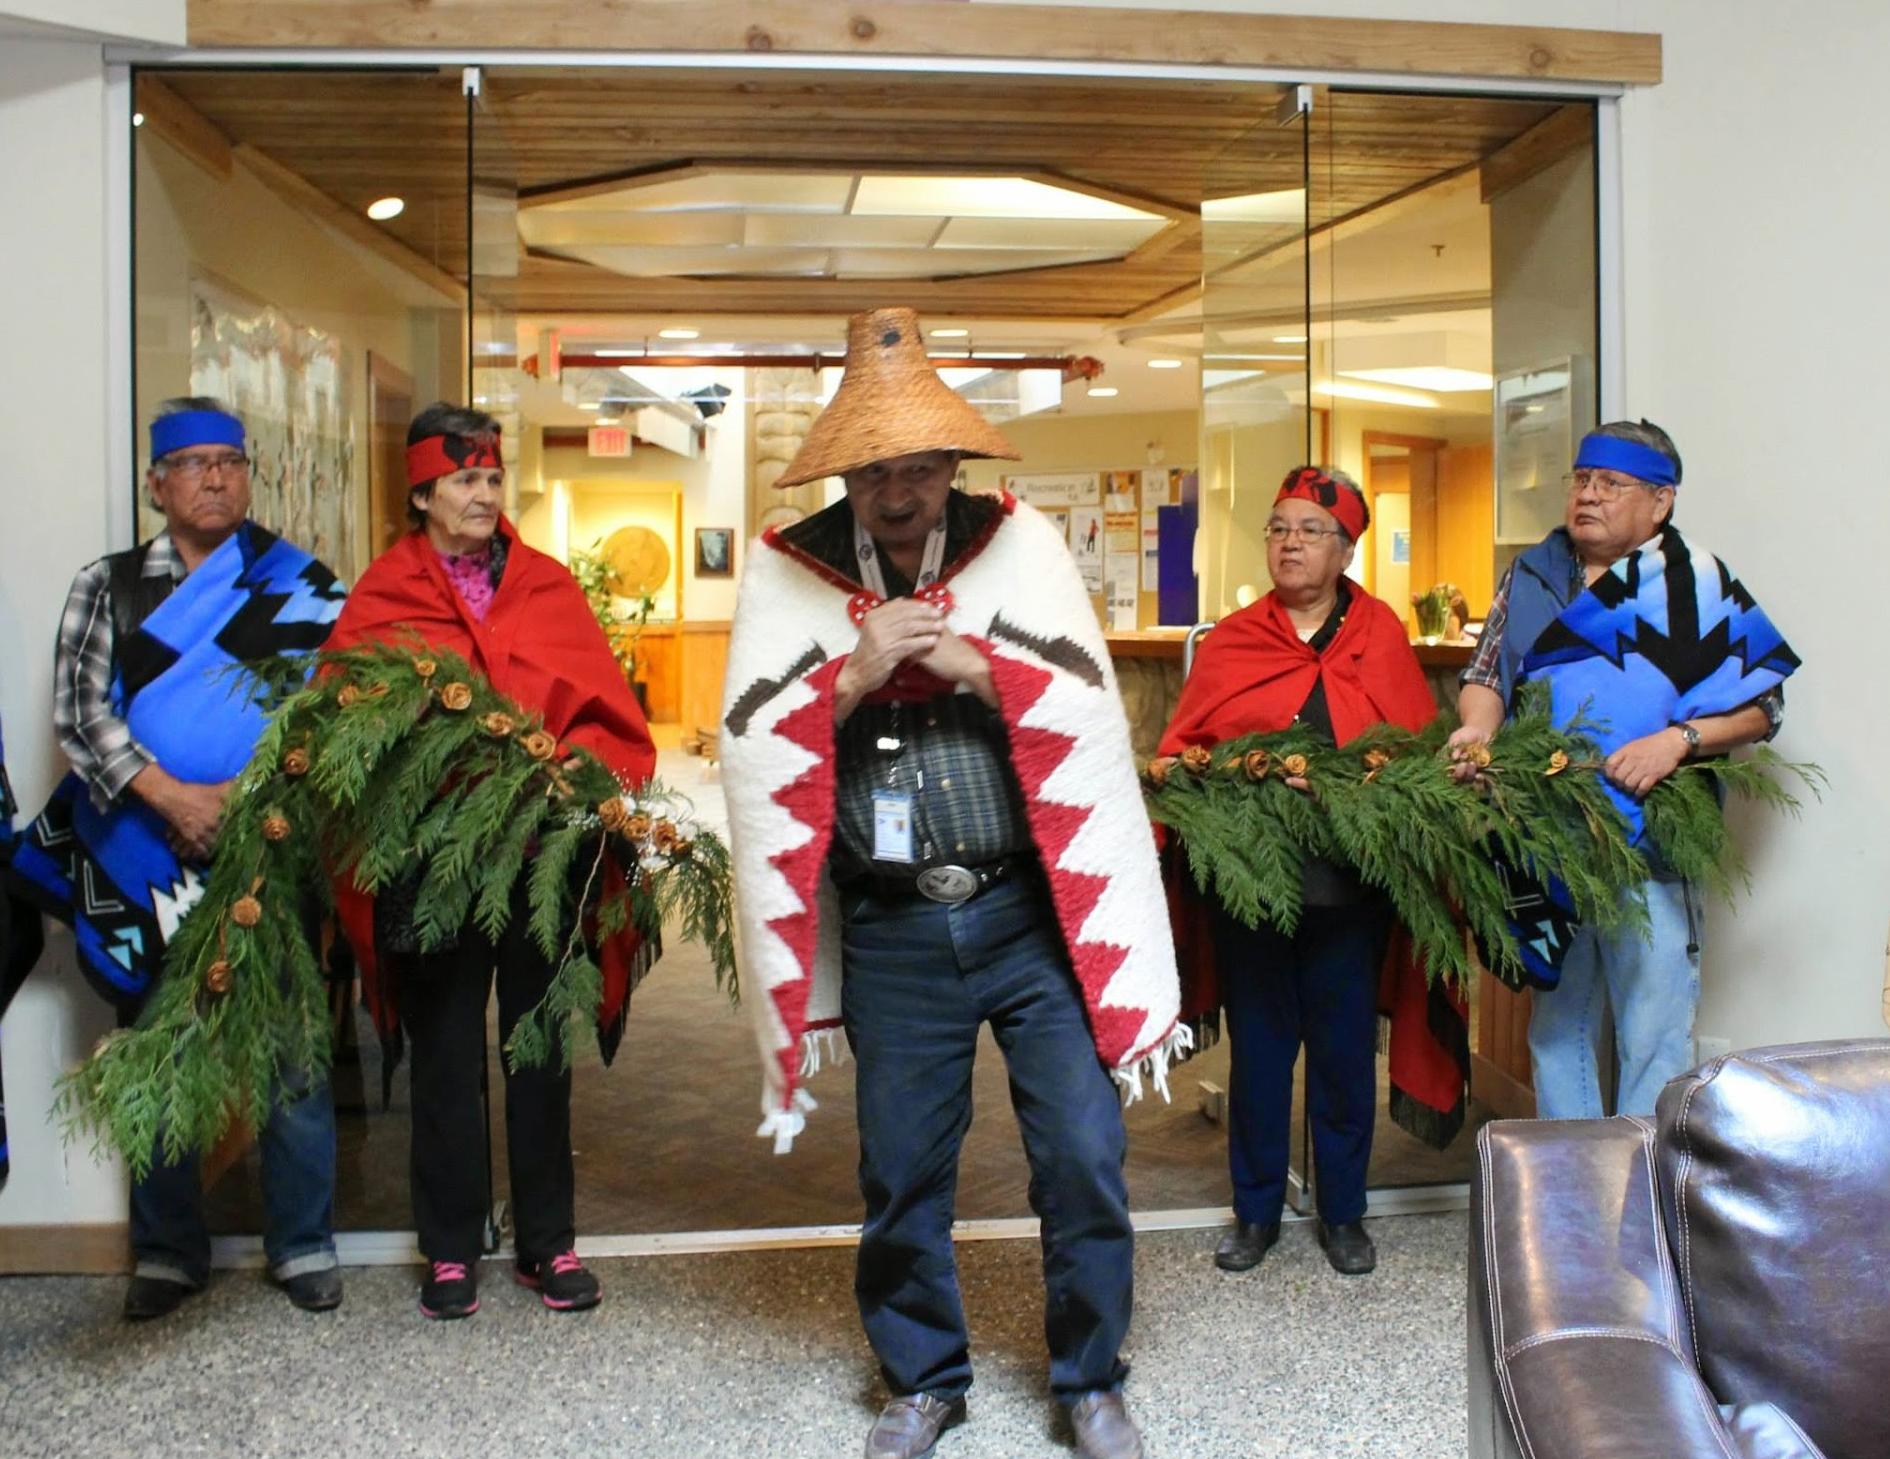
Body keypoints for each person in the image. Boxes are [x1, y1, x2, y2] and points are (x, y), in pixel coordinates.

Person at [719, 308, 1182, 1459]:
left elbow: (1088, 708)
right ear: (848, 470)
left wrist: (977, 667)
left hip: (1028, 914)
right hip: (891, 929)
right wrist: (848, 679)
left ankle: (1089, 1380)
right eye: (875, 467)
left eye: (919, 464)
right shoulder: (793, 569)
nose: (898, 488)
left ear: (952, 462)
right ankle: (924, 1379)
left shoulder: (1018, 546)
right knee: (902, 1169)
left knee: (1081, 1151)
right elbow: (744, 737)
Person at [10, 397, 346, 1319]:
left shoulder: (299, 585)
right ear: (157, 483)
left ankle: (303, 1239)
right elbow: (82, 716)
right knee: (160, 1043)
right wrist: (174, 798)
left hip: (263, 850)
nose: (213, 478)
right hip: (141, 851)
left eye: (229, 462)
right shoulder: (108, 586)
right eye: (192, 464)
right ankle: (165, 1251)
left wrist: (237, 804)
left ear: (248, 475)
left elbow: (322, 721)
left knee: (289, 1048)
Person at [325, 403, 656, 1321]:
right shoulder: (386, 590)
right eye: (463, 479)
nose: (482, 494)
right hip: (432, 864)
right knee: (442, 1057)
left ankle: (547, 1242)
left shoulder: (546, 585)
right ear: (422, 490)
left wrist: (576, 776)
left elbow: (603, 710)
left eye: (492, 478)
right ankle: (448, 1248)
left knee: (539, 1048)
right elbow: (343, 718)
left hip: (538, 857)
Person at [1451, 420, 1799, 1118]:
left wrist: (1679, 739)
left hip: (1651, 843)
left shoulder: (1694, 582)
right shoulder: (1533, 572)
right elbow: (1488, 670)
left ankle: (1643, 1210)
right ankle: (1570, 1199)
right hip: (1549, 835)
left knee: (1653, 1033)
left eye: (1611, 484)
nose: (1589, 496)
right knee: (1559, 1028)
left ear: (1660, 501)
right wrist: (1477, 729)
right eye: (1581, 480)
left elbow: (1765, 704)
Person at [1156, 467, 1456, 1279]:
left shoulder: (1381, 634)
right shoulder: (1235, 639)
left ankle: (1345, 1213)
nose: (1289, 542)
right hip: (1252, 885)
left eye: (1308, 530)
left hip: (1347, 888)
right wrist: (1238, 773)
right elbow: (1186, 750)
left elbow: (1413, 758)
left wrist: (1340, 782)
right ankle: (1253, 1212)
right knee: (1257, 1056)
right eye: (1278, 527)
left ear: (1346, 548)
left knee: (1343, 1054)